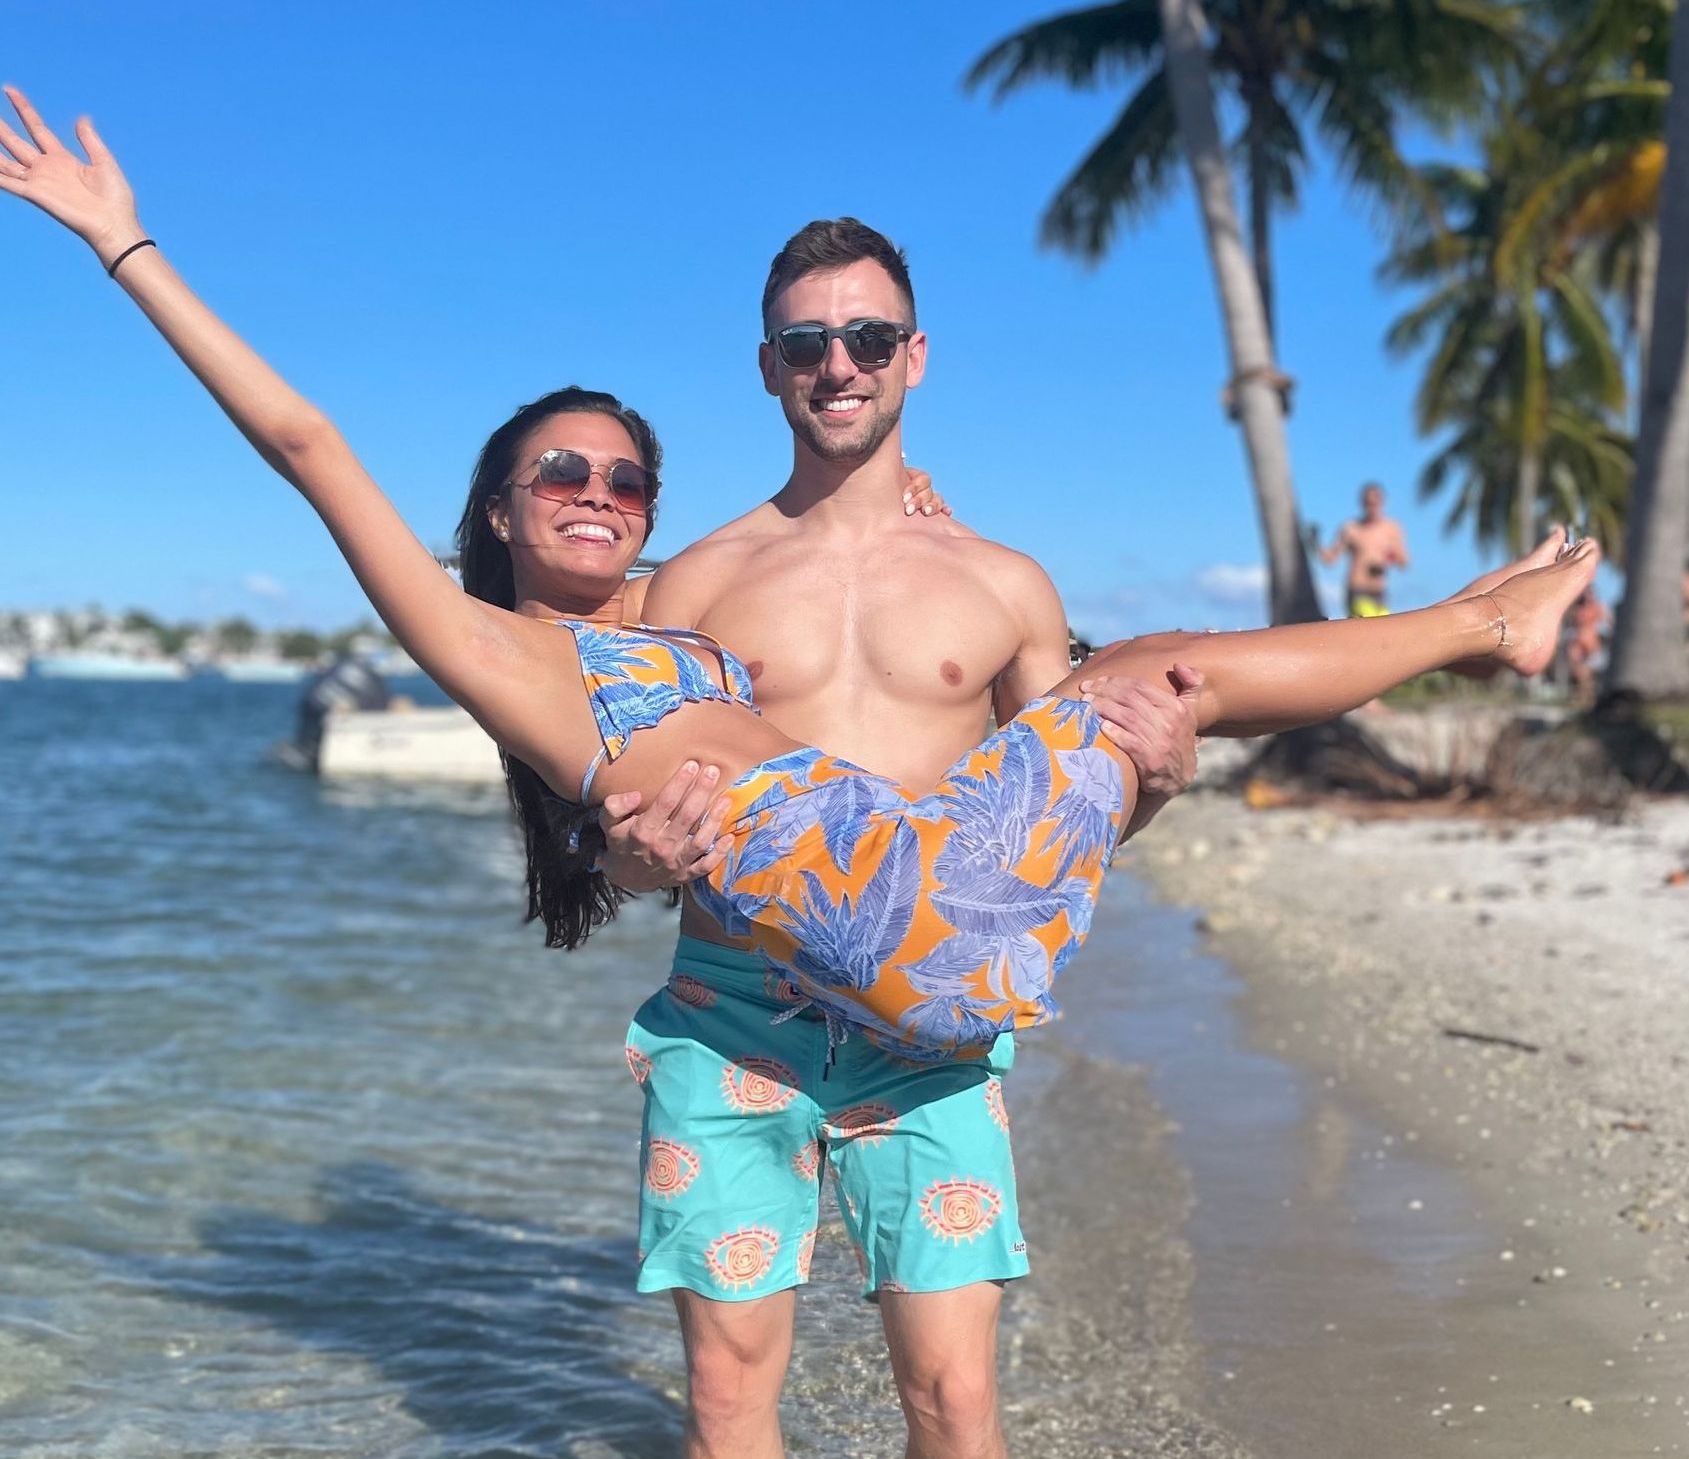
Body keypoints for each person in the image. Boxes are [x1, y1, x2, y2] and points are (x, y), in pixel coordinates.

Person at [0, 91, 1601, 1459]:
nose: (595, 494)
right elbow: (309, 447)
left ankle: (1477, 622)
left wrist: (1153, 771)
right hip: (758, 1013)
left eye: (620, 476)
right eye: (558, 472)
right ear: (495, 506)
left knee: (1159, 685)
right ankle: (1477, 623)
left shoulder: (804, 593)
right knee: (726, 1402)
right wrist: (124, 244)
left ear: (912, 354)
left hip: (940, 962)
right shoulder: (562, 625)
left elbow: (1087, 794)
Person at [1321, 481, 1411, 617]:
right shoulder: (1351, 528)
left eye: (1375, 503)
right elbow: (1330, 559)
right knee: (1368, 623)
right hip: (1357, 590)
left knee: (1383, 631)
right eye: (1368, 503)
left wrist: (1390, 557)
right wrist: (1316, 545)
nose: (1372, 507)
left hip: (1380, 592)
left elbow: (1404, 562)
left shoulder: (1392, 528)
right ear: (1362, 504)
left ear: (1383, 503)